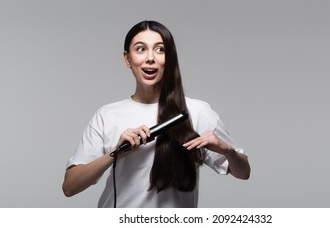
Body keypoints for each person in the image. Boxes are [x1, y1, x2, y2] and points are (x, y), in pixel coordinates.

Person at [62, 20, 250, 207]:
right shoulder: (106, 115)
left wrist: (227, 150)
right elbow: (70, 187)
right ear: (127, 59)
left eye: (160, 49)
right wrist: (115, 152)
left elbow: (243, 173)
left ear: (170, 58)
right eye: (141, 49)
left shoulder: (197, 111)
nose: (150, 57)